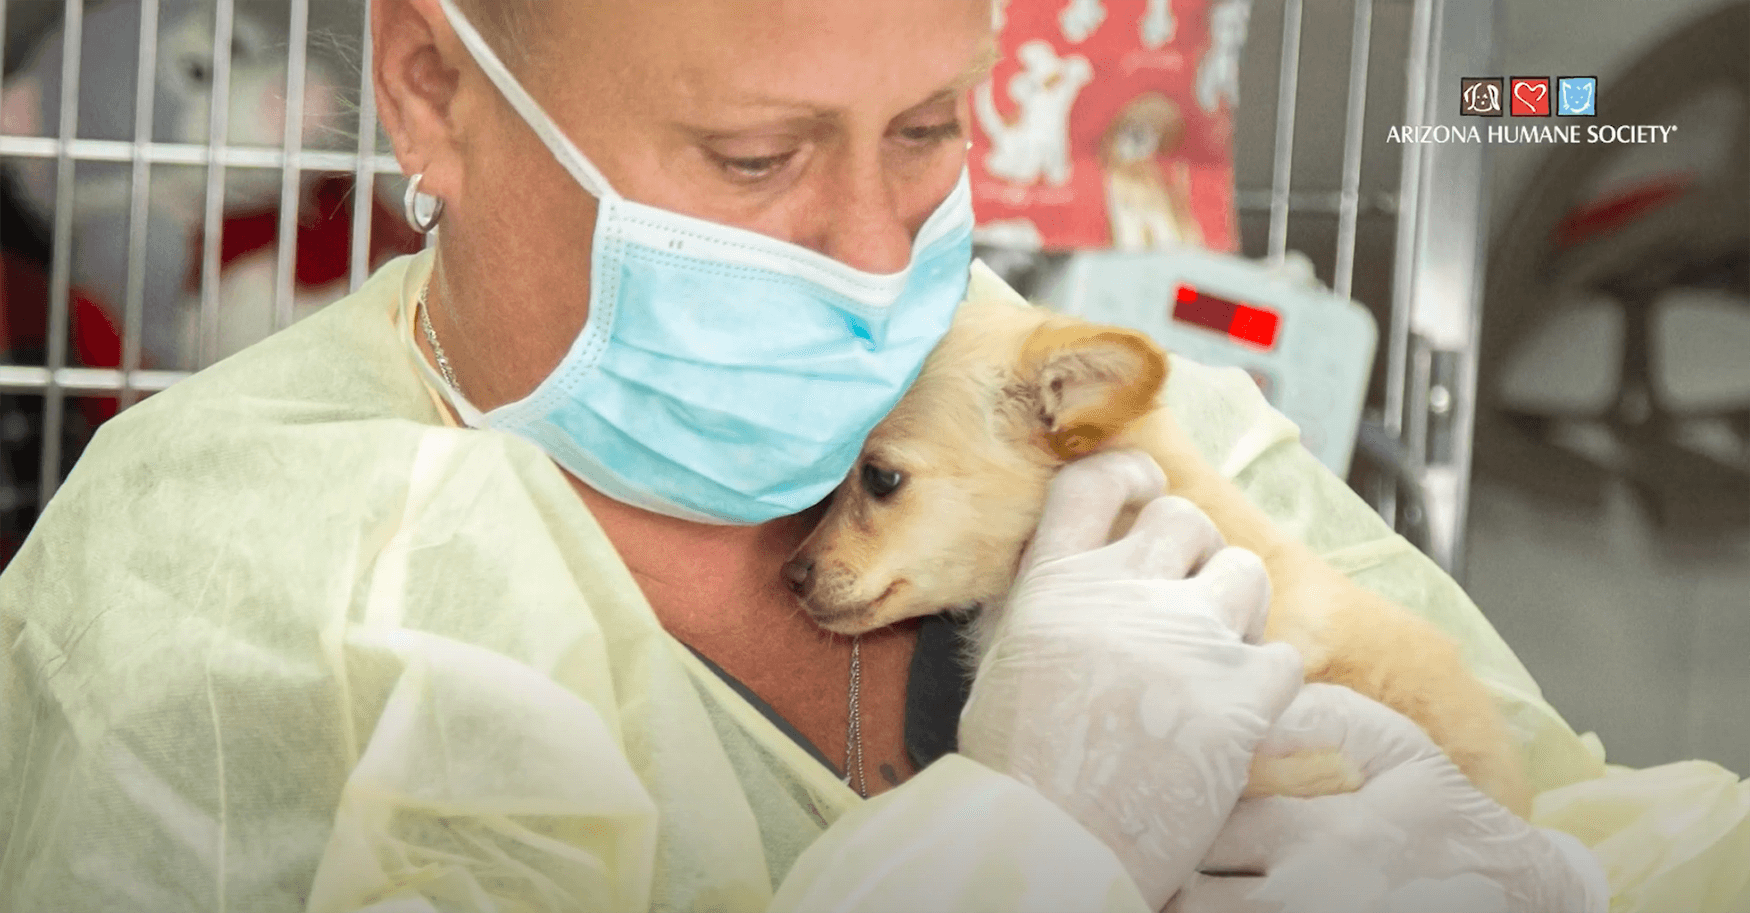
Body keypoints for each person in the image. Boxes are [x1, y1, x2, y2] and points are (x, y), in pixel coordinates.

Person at [0, 0, 1608, 910]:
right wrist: (1030, 853)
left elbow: (1617, 826)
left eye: (928, 128)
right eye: (756, 157)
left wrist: (1532, 886)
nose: (868, 248)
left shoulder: (1129, 432)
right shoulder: (207, 576)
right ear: (432, 91)